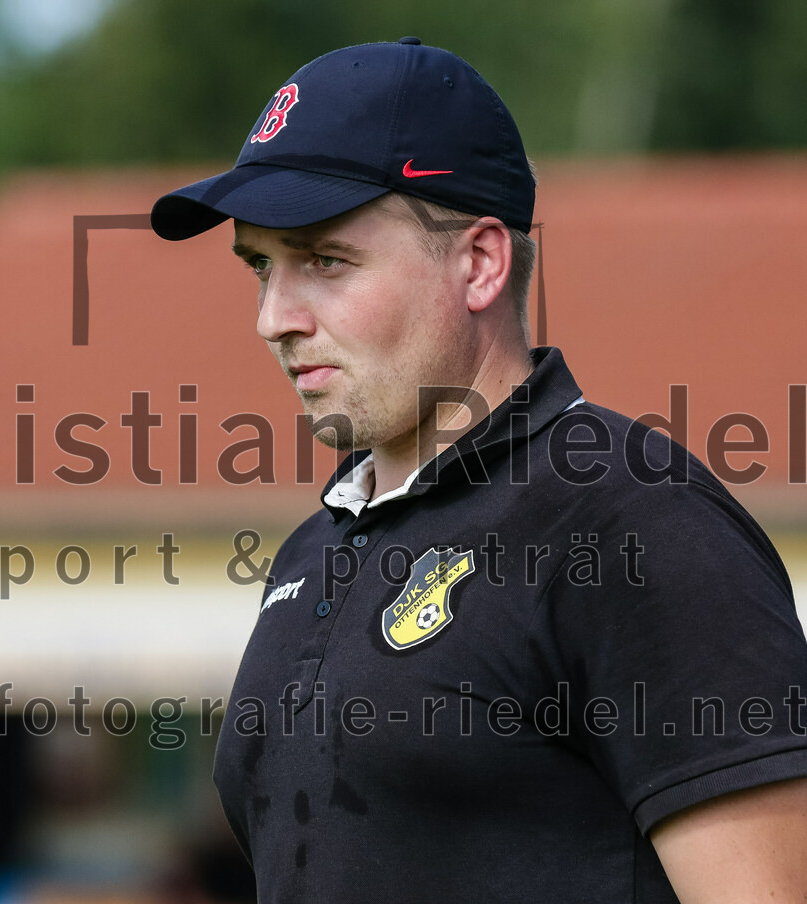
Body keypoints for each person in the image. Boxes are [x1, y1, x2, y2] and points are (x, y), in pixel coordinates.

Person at [150, 38, 807, 903]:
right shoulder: (311, 553)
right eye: (261, 267)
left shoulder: (630, 518)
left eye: (324, 261)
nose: (274, 317)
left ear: (482, 262)